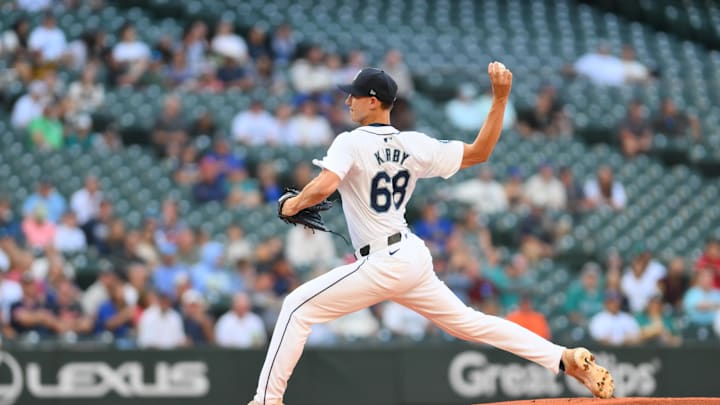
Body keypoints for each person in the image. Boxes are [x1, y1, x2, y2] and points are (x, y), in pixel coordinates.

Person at [248, 64, 614, 405]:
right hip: (409, 256)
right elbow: (480, 152)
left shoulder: (350, 141)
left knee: (296, 307)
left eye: (354, 95)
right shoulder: (415, 144)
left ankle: (265, 401)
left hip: (382, 260)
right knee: (471, 323)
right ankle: (563, 358)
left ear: (373, 101)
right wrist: (501, 99)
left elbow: (326, 184)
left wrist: (291, 206)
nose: (348, 100)